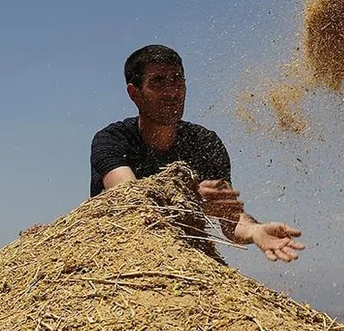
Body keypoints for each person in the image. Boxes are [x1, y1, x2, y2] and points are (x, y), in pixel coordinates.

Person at [90, 44, 305, 263]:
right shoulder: (113, 140)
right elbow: (130, 198)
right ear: (134, 93)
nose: (171, 92)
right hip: (121, 258)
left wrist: (254, 230)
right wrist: (191, 195)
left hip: (181, 261)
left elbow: (230, 219)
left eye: (177, 79)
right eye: (158, 82)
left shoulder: (204, 143)